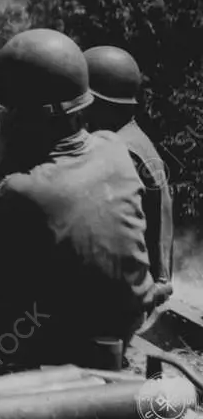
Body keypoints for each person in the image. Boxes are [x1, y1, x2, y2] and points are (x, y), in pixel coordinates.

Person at [0, 29, 160, 371]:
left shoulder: (20, 189)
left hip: (52, 339)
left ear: (22, 116)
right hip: (126, 322)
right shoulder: (113, 147)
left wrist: (7, 163)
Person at [83, 45, 174, 311]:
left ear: (94, 101)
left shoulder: (116, 152)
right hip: (149, 286)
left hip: (127, 298)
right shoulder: (137, 140)